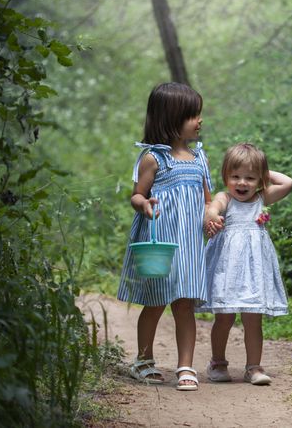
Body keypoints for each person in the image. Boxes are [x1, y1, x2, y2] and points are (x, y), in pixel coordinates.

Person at [118, 82, 213, 391]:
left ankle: (185, 366)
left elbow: (207, 200)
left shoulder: (199, 158)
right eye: (193, 115)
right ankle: (143, 360)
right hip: (161, 242)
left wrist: (212, 217)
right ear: (171, 119)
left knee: (185, 304)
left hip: (190, 244)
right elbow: (136, 196)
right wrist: (144, 205)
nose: (200, 121)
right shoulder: (154, 159)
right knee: (156, 301)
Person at [197, 142, 292, 385]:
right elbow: (213, 208)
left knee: (253, 318)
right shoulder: (225, 198)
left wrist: (263, 171)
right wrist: (212, 216)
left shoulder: (262, 197)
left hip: (254, 270)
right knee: (225, 318)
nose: (242, 183)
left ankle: (254, 367)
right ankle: (217, 363)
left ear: (260, 180)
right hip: (227, 269)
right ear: (226, 176)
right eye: (235, 176)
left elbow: (288, 183)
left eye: (250, 178)